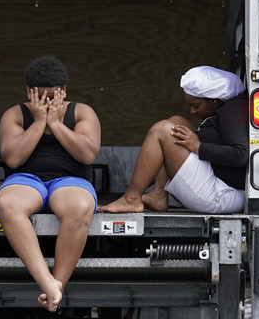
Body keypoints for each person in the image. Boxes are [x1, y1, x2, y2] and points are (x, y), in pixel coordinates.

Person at [0, 56, 101, 312]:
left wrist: (56, 123)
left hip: (70, 180)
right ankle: (46, 282)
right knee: (7, 204)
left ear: (65, 90)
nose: (48, 103)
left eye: (53, 96)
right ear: (28, 93)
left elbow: (87, 154)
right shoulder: (15, 114)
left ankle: (57, 285)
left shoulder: (82, 111)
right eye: (40, 97)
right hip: (26, 179)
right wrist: (40, 122)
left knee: (79, 206)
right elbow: (13, 157)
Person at [99, 66, 246, 214]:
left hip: (222, 195)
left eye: (196, 105)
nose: (192, 111)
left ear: (214, 100)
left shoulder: (232, 111)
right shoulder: (226, 110)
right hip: (220, 185)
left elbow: (240, 154)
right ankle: (158, 194)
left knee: (162, 130)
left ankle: (131, 200)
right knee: (177, 122)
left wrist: (198, 147)